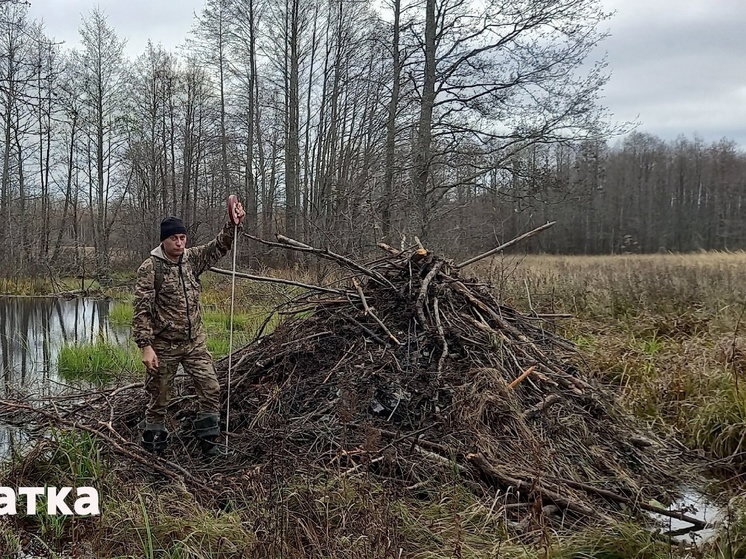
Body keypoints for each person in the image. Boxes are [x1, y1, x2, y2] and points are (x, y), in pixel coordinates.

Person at [132, 204, 245, 456]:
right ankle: (154, 449)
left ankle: (209, 444)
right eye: (175, 238)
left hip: (195, 344)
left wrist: (233, 222)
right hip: (163, 346)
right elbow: (141, 310)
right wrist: (146, 346)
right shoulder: (150, 268)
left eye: (183, 238)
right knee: (159, 398)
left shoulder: (192, 259)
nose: (180, 243)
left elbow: (219, 246)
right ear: (165, 240)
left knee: (210, 388)